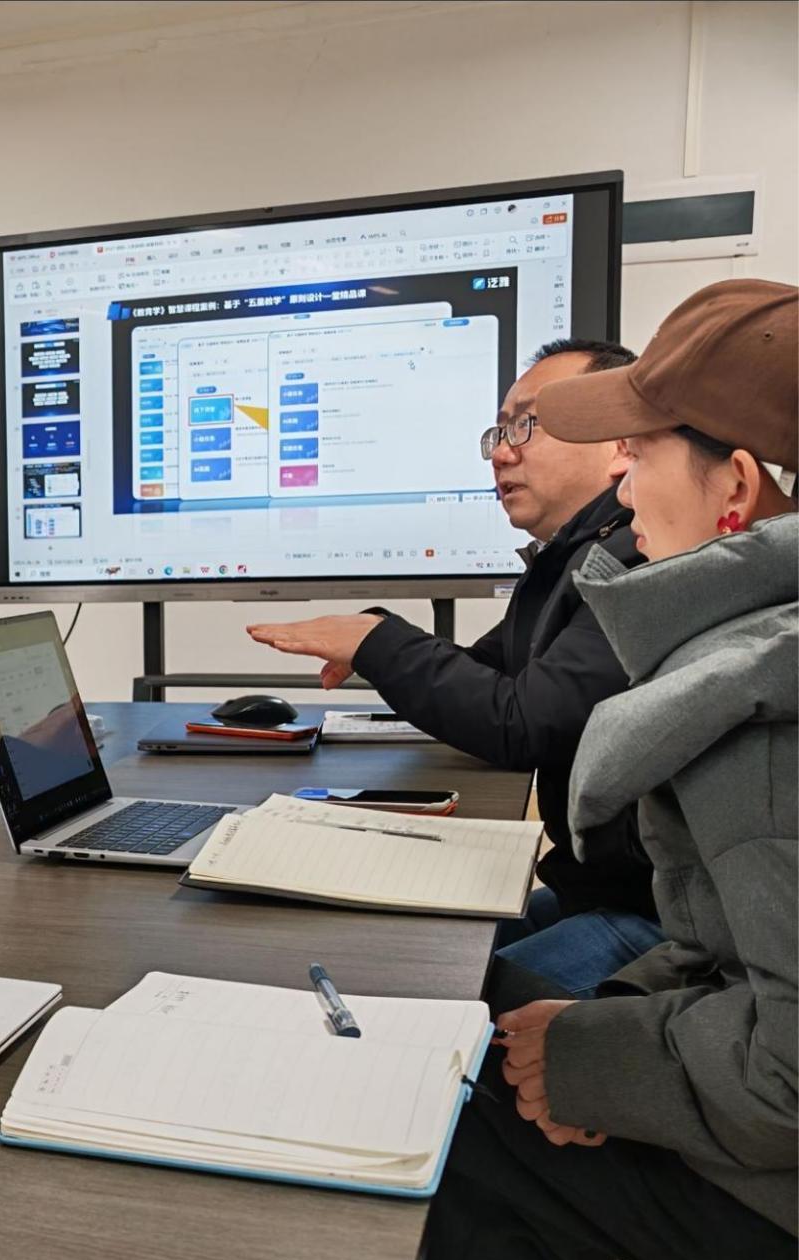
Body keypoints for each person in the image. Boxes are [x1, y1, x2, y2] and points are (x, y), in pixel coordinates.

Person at [422, 278, 797, 1260]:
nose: (623, 494)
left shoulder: (762, 721)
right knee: (473, 1006)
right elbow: (730, 954)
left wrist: (597, 1065)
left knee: (447, 1112)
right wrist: (603, 1029)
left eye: (642, 456)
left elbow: (791, 1078)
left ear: (736, 486)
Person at [246, 338, 658, 994]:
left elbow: (524, 721)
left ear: (618, 444)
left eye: (527, 425)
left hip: (658, 918)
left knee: (424, 992)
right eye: (499, 431)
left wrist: (378, 643)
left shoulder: (637, 556)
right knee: (398, 950)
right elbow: (487, 677)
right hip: (601, 889)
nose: (501, 452)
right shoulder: (570, 559)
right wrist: (373, 640)